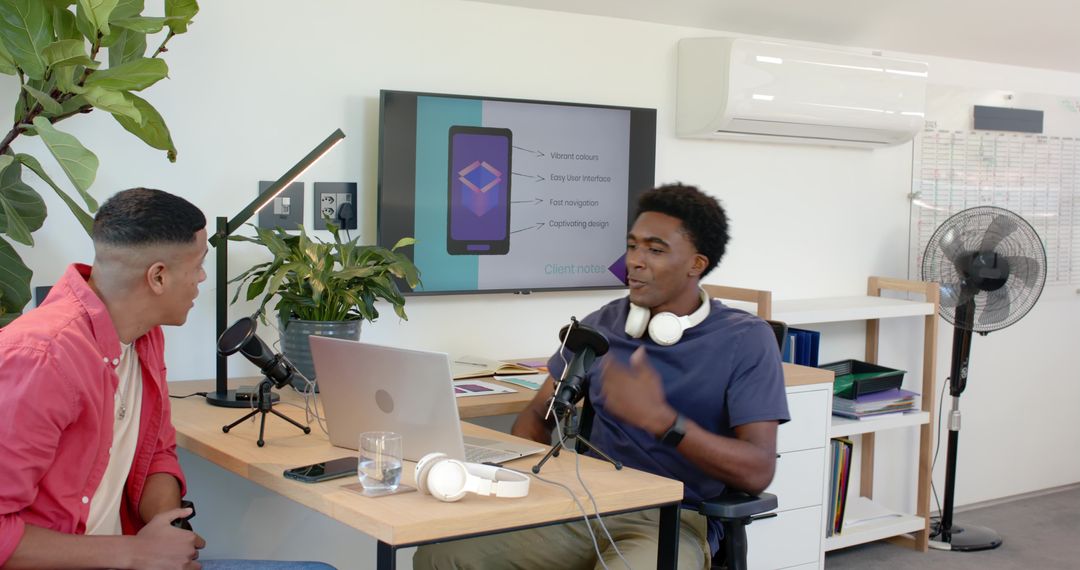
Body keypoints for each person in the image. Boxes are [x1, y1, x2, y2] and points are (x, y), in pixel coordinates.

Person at [414, 183, 790, 569]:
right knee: (442, 557)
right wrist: (534, 487)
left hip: (673, 520)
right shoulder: (603, 325)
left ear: (696, 264)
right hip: (583, 505)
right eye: (632, 246)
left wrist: (662, 421)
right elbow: (535, 418)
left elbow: (757, 471)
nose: (635, 261)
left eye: (655, 250)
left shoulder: (745, 339)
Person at [0, 188, 333, 570]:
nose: (202, 277)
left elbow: (155, 453)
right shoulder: (39, 359)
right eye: (198, 264)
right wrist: (136, 554)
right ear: (158, 276)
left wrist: (167, 532)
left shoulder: (145, 335)